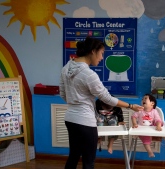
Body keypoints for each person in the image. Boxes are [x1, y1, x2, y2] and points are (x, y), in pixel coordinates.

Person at [59, 36, 144, 169]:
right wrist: (130, 106)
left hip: (70, 119)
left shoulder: (66, 68)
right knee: (88, 162)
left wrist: (76, 103)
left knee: (73, 156)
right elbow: (107, 98)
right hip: (85, 122)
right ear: (93, 51)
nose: (102, 58)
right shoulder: (89, 74)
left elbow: (63, 94)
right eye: (102, 53)